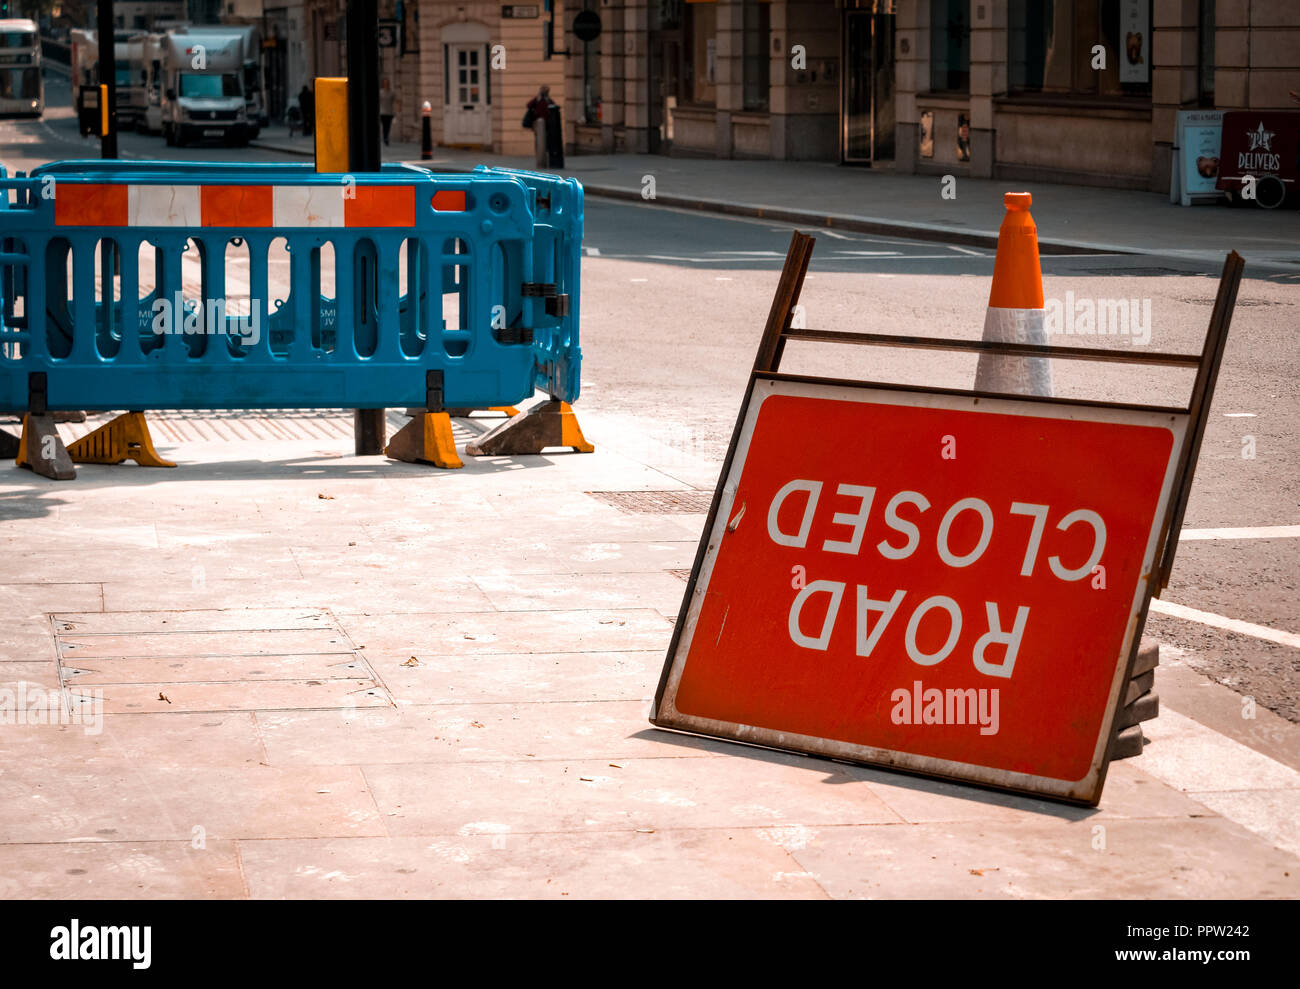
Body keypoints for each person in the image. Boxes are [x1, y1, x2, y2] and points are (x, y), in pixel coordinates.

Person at [524, 84, 553, 168]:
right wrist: (537, 98)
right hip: (538, 124)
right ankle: (539, 158)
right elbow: (528, 105)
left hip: (547, 125)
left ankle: (544, 157)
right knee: (538, 141)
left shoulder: (548, 101)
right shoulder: (537, 100)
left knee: (547, 142)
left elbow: (552, 107)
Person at [379, 78, 397, 146]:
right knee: (384, 126)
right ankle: (385, 138)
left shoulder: (392, 92)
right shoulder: (381, 92)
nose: (386, 84)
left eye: (387, 83)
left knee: (388, 126)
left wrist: (396, 111)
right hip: (382, 112)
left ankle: (386, 137)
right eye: (385, 83)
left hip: (390, 112)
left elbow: (395, 102)